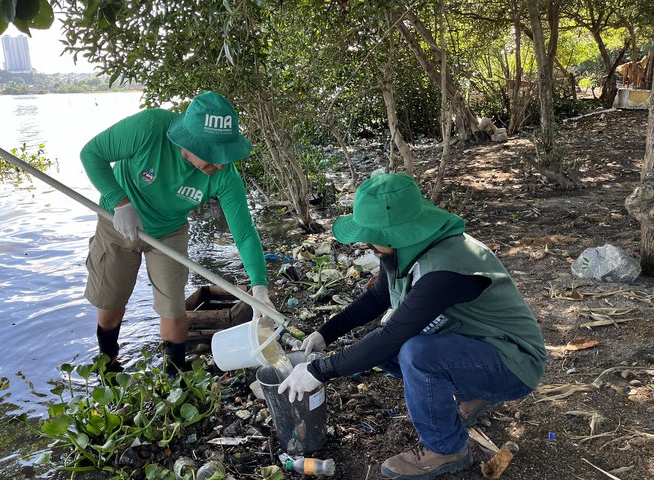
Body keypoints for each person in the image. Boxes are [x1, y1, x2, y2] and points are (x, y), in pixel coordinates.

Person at [278, 173, 546, 480]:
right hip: (478, 346)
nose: (367, 244)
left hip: (515, 364)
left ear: (392, 235)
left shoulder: (444, 269)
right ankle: (474, 393)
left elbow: (393, 336)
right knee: (387, 349)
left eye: (370, 236)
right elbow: (377, 298)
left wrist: (319, 371)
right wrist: (325, 333)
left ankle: (446, 449)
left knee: (417, 355)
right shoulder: (405, 249)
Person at [80, 91, 274, 376]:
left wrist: (259, 288)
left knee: (173, 310)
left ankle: (174, 377)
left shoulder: (224, 175)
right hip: (118, 223)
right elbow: (91, 154)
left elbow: (244, 233)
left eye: (225, 154)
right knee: (111, 306)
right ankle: (108, 366)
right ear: (189, 141)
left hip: (169, 232)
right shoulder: (149, 128)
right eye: (213, 154)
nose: (221, 164)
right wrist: (120, 202)